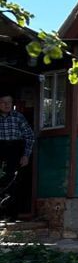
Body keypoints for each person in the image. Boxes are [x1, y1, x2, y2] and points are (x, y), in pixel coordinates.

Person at [0, 93, 34, 222]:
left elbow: (29, 136)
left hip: (15, 150)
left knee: (13, 181)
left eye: (9, 102)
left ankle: (11, 215)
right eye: (3, 102)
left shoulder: (18, 117)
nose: (7, 105)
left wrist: (26, 155)